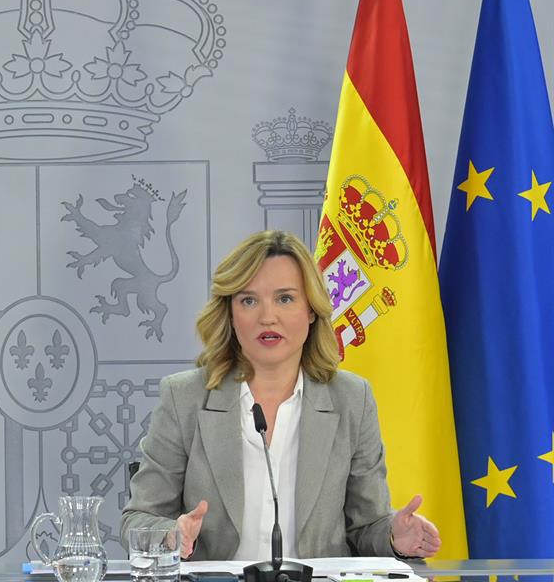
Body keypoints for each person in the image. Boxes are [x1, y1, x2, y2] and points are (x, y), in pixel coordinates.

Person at [120, 230, 440, 561]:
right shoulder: (184, 398)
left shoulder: (351, 399)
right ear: (230, 313)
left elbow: (363, 529)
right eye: (248, 300)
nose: (267, 317)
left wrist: (392, 536)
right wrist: (171, 535)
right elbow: (137, 519)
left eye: (285, 299)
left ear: (312, 310)